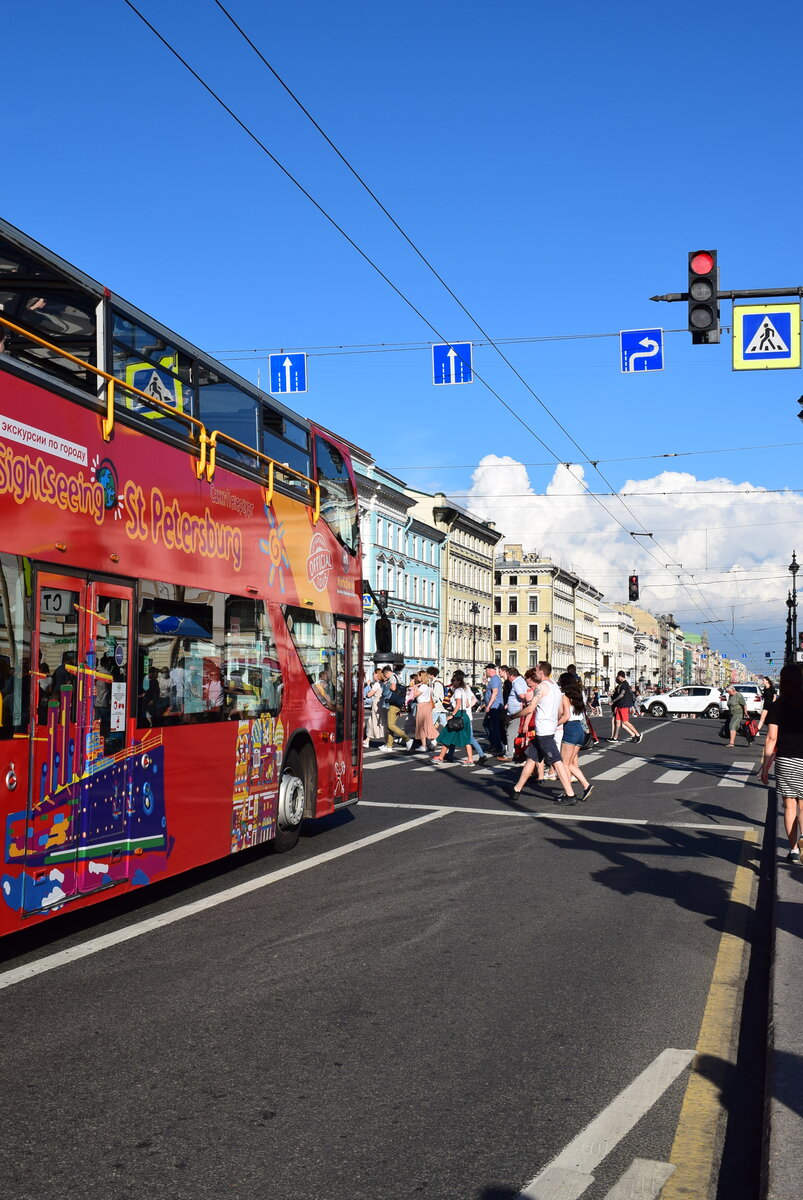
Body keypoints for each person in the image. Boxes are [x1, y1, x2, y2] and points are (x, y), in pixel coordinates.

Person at [507, 661, 577, 803]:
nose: (535, 671)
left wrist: (513, 716)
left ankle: (570, 795)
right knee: (531, 759)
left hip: (544, 732)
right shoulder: (555, 687)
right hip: (548, 729)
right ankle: (517, 789)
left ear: (541, 672)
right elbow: (560, 711)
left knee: (557, 762)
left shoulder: (541, 687)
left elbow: (530, 708)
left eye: (537, 669)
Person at [760, 663, 803, 863]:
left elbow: (771, 739)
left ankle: (794, 850)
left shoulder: (777, 706)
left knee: (789, 806)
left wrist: (765, 766)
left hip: (786, 760)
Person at [558, 679, 594, 801]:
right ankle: (584, 786)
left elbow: (566, 716)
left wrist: (555, 724)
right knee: (570, 764)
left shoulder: (565, 697)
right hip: (579, 729)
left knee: (564, 764)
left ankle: (570, 792)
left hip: (571, 729)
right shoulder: (578, 696)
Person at [432, 671, 475, 765]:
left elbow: (458, 704)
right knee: (466, 739)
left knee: (447, 736)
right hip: (465, 716)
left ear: (458, 681)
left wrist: (452, 714)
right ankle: (470, 759)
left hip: (458, 715)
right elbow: (467, 704)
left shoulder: (458, 691)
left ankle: (440, 757)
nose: (452, 681)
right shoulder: (464, 690)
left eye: (453, 680)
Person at [480, 663, 506, 758]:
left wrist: (488, 706)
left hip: (494, 707)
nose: (485, 671)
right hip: (493, 707)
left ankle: (498, 747)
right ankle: (494, 744)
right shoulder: (493, 679)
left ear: (490, 669)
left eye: (486, 670)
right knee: (487, 724)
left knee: (493, 727)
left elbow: (494, 693)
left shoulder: (495, 679)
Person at [379, 665, 407, 751]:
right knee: (390, 725)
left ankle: (407, 739)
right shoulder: (397, 676)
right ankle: (389, 745)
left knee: (390, 725)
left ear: (387, 673)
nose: (385, 677)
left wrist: (388, 686)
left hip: (393, 703)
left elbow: (393, 688)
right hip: (397, 703)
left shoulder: (392, 677)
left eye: (385, 675)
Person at [608, 672, 641, 743]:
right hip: (619, 705)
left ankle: (638, 734)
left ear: (620, 676)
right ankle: (615, 738)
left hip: (624, 705)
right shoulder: (621, 684)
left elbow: (621, 695)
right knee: (618, 722)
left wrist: (613, 701)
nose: (617, 678)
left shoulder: (625, 684)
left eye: (618, 677)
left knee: (625, 722)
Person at [409, 670, 438, 752]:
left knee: (421, 725)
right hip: (427, 705)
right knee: (427, 724)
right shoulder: (428, 686)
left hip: (422, 706)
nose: (417, 677)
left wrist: (414, 687)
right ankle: (427, 743)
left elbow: (415, 695)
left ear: (422, 677)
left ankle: (425, 744)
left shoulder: (422, 686)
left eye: (418, 676)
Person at [365, 668, 386, 744]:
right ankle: (367, 740)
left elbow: (369, 694)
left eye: (373, 674)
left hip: (377, 703)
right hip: (381, 703)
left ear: (377, 674)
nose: (372, 675)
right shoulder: (383, 683)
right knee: (375, 721)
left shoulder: (377, 684)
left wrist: (367, 693)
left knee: (375, 721)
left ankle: (387, 740)